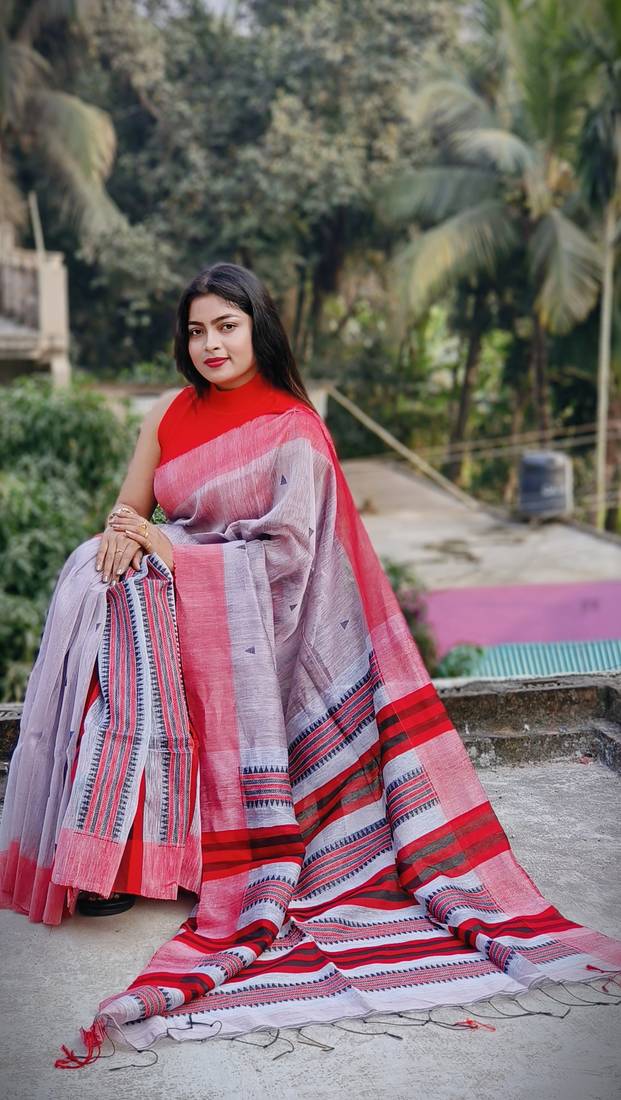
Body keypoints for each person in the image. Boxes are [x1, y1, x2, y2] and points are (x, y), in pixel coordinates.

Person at [1, 263, 620, 1068]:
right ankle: (113, 858)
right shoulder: (168, 416)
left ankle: (195, 851)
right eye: (197, 330)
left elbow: (288, 554)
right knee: (103, 577)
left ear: (258, 325)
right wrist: (124, 536)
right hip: (175, 620)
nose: (212, 343)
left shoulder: (294, 428)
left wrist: (174, 558)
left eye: (227, 324)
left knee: (139, 594)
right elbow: (131, 510)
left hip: (261, 632)